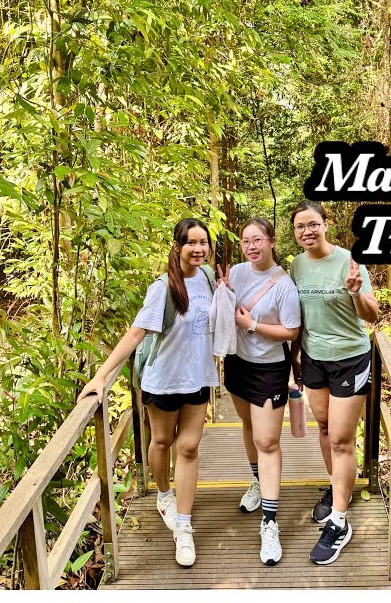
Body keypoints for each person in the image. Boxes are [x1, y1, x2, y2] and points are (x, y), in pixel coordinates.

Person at [79, 218, 219, 568]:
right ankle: (163, 493)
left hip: (199, 377)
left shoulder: (208, 278)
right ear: (178, 246)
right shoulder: (163, 289)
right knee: (161, 443)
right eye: (191, 243)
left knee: (188, 447)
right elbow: (135, 334)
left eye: (203, 242)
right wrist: (101, 375)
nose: (198, 249)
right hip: (164, 380)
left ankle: (184, 526)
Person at [288, 200, 381, 565]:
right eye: (300, 227)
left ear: (325, 224)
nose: (307, 232)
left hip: (349, 358)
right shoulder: (296, 265)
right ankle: (338, 486)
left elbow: (372, 315)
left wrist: (356, 291)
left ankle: (340, 521)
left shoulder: (348, 261)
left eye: (313, 224)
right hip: (313, 360)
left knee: (342, 438)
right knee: (325, 428)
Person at [220, 218, 301, 566]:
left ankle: (270, 523)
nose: (251, 246)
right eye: (245, 241)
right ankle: (256, 482)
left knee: (268, 441)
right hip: (238, 363)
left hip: (269, 369)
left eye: (257, 240)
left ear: (271, 241)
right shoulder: (236, 273)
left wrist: (251, 324)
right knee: (249, 426)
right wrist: (222, 290)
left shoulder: (285, 285)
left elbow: (292, 331)